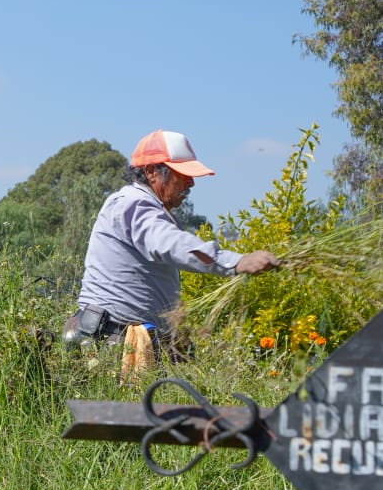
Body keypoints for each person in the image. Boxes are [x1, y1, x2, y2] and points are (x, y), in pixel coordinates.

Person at [67, 129, 281, 348]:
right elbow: (171, 244)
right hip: (109, 340)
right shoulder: (132, 203)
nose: (190, 184)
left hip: (128, 339)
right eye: (183, 175)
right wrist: (236, 261)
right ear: (151, 172)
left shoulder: (154, 210)